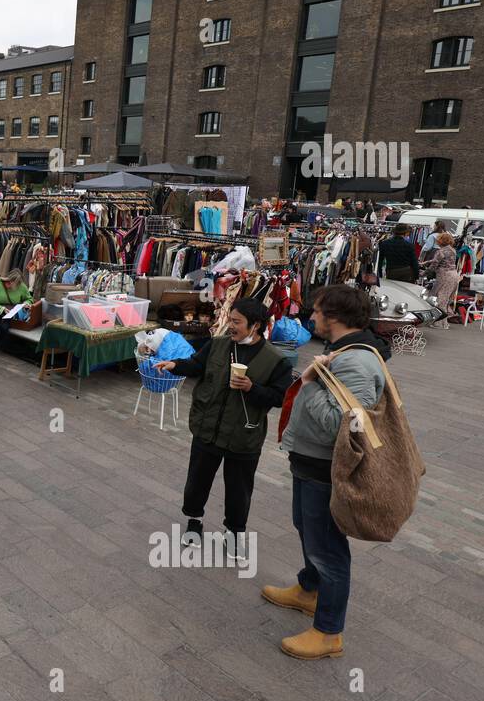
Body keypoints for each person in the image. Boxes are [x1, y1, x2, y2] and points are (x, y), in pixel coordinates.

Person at [270, 284, 390, 660]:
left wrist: (307, 383)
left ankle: (329, 632)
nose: (311, 317)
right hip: (311, 461)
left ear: (334, 317)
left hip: (327, 466)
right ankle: (310, 589)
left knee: (328, 548)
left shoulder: (355, 361)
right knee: (306, 528)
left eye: (317, 312)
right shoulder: (340, 351)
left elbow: (341, 425)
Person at [156, 300, 294, 554]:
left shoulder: (276, 361)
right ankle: (194, 522)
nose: (231, 326)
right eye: (230, 319)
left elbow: (279, 398)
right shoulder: (219, 345)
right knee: (197, 480)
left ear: (256, 326)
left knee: (239, 490)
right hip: (208, 428)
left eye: (237, 322)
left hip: (244, 435)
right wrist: (175, 365)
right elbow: (197, 365)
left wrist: (253, 388)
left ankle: (233, 534)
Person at [419, 232, 459, 327]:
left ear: (440, 241)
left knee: (440, 299)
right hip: (454, 275)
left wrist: (423, 273)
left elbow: (434, 265)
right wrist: (426, 262)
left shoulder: (440, 251)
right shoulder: (452, 250)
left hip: (444, 276)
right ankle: (443, 322)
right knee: (445, 299)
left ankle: (439, 323)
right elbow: (442, 260)